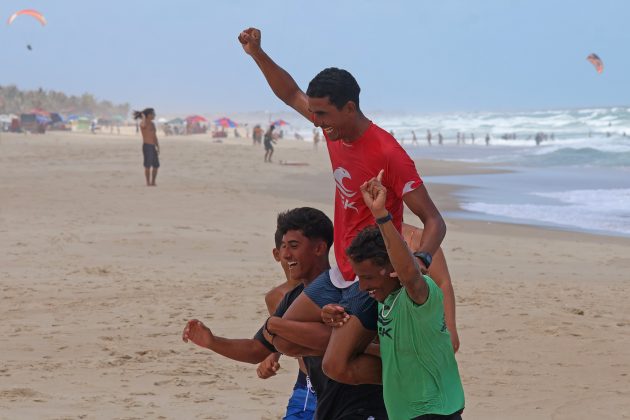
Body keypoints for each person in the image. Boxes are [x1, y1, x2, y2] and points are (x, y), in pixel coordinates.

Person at [238, 27, 451, 386]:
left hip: (372, 273)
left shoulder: (388, 153)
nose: (316, 122)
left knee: (335, 366)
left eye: (322, 115)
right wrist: (257, 53)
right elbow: (290, 92)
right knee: (281, 335)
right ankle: (375, 343)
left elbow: (434, 220)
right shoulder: (332, 127)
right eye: (315, 114)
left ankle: (403, 366)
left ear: (349, 108)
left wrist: (422, 259)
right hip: (341, 270)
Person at [182, 207, 389, 419]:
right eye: (282, 247)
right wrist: (212, 341)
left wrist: (276, 325)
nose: (285, 254)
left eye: (293, 246)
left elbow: (344, 341)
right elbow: (258, 349)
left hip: (368, 404)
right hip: (328, 406)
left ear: (319, 248)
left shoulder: (350, 290)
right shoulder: (293, 298)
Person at [327, 170, 465, 419]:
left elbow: (410, 273)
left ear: (392, 270)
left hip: (434, 411)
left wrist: (381, 215)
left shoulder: (420, 296)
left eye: (368, 278)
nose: (362, 287)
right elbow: (398, 351)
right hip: (406, 413)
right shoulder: (385, 302)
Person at [258, 228, 317, 419]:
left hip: (337, 382)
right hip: (306, 383)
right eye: (286, 247)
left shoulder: (328, 288)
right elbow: (281, 334)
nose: (291, 255)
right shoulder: (275, 297)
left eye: (296, 247)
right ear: (277, 254)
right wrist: (272, 356)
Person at [133, 108, 160, 186]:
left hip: (153, 146)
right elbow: (143, 125)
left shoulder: (153, 124)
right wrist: (143, 117)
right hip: (147, 146)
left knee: (156, 165)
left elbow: (154, 136)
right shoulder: (143, 123)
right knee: (147, 165)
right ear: (148, 115)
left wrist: (158, 146)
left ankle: (153, 181)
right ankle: (148, 182)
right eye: (153, 114)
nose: (154, 115)